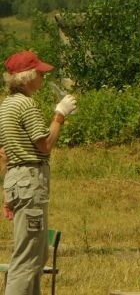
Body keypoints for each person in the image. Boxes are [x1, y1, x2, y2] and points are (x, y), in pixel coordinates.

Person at [0, 50, 77, 295]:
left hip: (16, 180)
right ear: (28, 76)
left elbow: (3, 153)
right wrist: (60, 115)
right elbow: (44, 145)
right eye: (40, 73)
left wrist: (7, 192)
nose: (43, 77)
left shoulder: (6, 105)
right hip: (30, 180)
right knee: (28, 257)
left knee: (37, 252)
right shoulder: (27, 104)